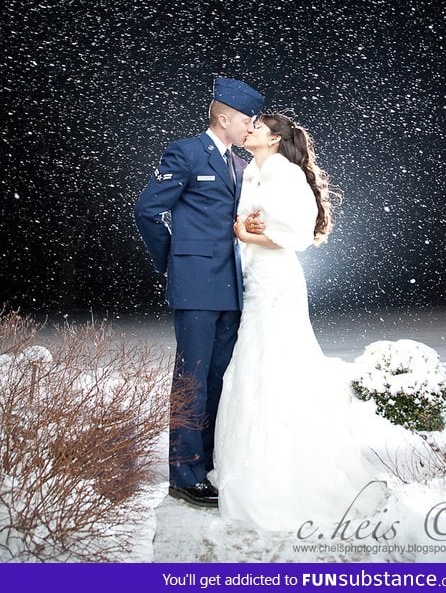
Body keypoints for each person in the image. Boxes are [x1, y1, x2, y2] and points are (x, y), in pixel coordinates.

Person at [213, 112, 387, 533]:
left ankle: (285, 479)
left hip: (275, 281)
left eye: (256, 126)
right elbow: (249, 221)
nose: (248, 129)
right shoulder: (252, 173)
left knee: (277, 364)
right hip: (252, 279)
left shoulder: (286, 175)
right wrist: (243, 226)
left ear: (273, 140)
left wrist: (246, 234)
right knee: (253, 364)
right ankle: (251, 463)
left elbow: (297, 234)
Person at [134, 77, 264, 507]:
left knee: (216, 378)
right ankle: (184, 473)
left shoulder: (241, 166)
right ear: (224, 117)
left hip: (231, 290)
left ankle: (207, 462)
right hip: (195, 286)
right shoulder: (187, 152)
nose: (252, 126)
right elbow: (149, 210)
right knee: (191, 379)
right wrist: (173, 260)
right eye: (248, 119)